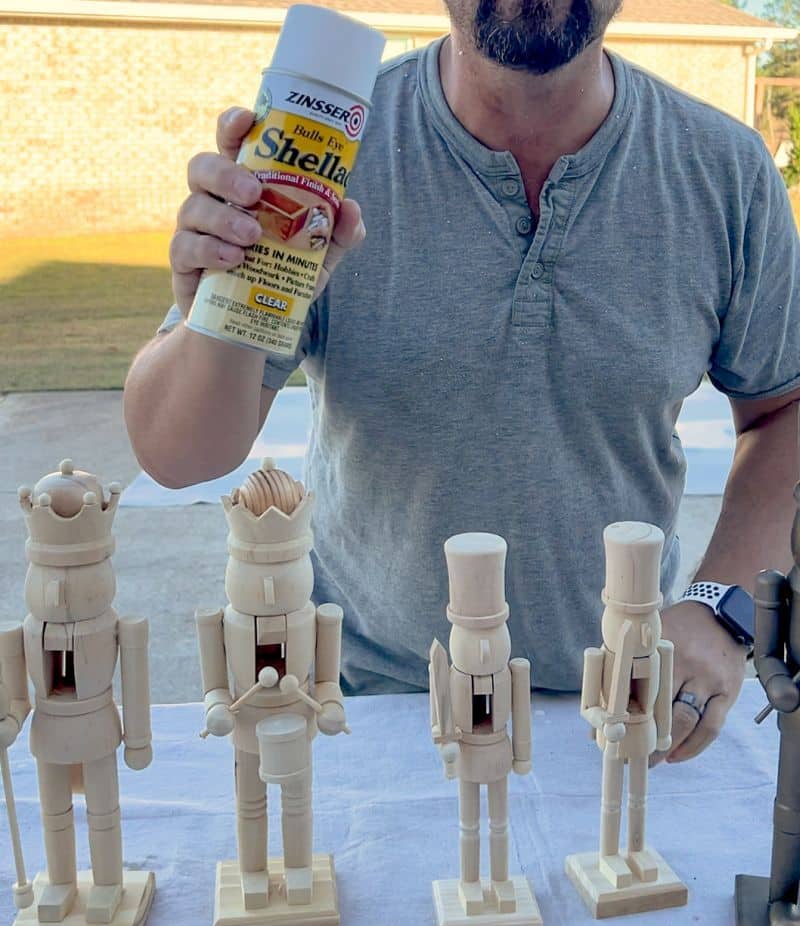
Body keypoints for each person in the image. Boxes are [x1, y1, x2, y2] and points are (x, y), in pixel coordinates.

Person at [124, 0, 800, 765]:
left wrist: (720, 606)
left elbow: (784, 409)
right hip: (368, 711)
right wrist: (214, 312)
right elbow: (179, 454)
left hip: (623, 708)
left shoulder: (725, 172)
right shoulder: (326, 152)